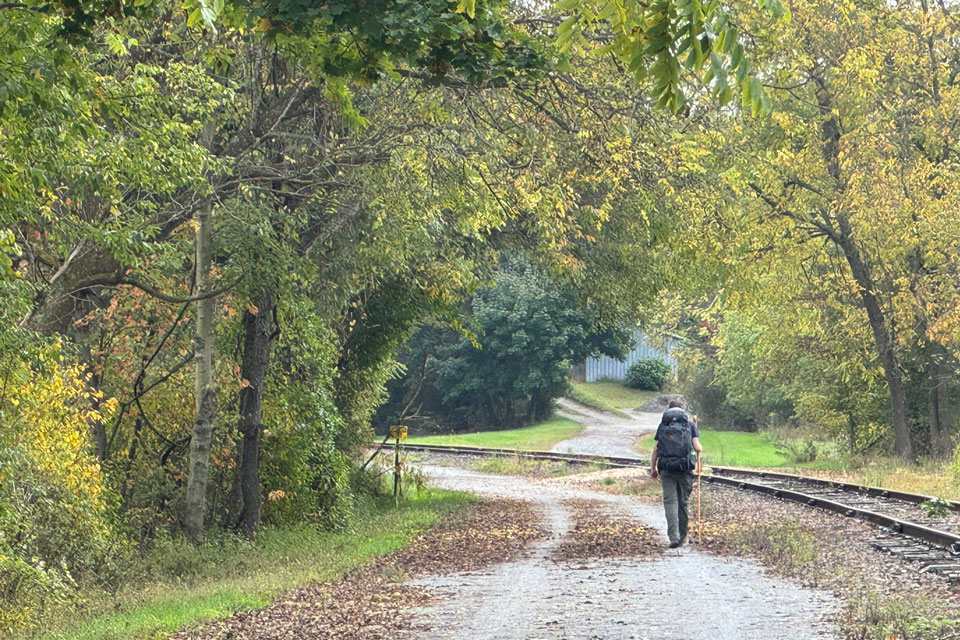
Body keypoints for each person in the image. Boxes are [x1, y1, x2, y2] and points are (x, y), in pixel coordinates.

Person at [649, 400, 702, 548]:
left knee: (670, 501)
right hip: (684, 468)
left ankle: (673, 537)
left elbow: (655, 450)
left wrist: (653, 468)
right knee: (682, 502)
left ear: (668, 411)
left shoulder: (663, 425)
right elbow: (698, 448)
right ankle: (682, 536)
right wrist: (695, 434)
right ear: (682, 411)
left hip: (666, 467)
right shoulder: (689, 425)